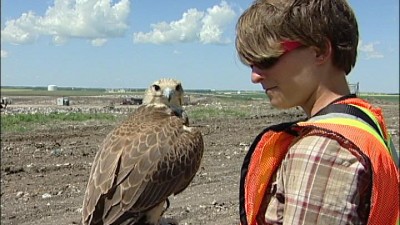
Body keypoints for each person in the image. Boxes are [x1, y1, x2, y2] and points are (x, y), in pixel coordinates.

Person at [235, 0, 399, 224]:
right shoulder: (362, 123)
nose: (255, 76)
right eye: (250, 63)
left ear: (320, 51)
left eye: (266, 59)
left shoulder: (321, 151)